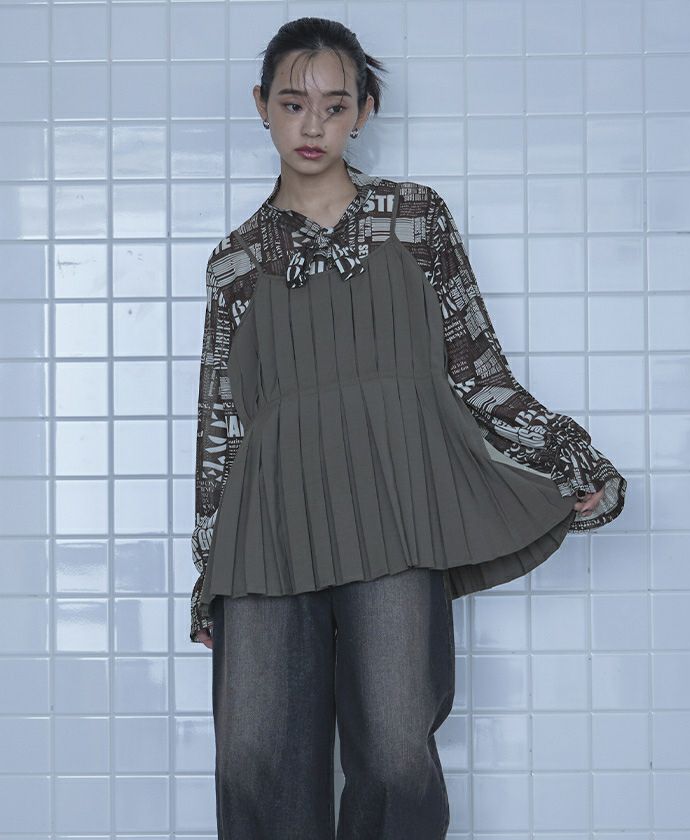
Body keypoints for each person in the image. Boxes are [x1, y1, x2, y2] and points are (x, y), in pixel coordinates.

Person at [189, 16, 627, 839]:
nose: (312, 124)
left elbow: (477, 369)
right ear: (261, 106)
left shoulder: (417, 218)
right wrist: (206, 571)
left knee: (395, 753)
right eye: (292, 103)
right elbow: (222, 427)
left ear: (364, 110)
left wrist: (567, 456)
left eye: (334, 104)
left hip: (394, 512)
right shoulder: (235, 261)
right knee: (251, 758)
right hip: (265, 527)